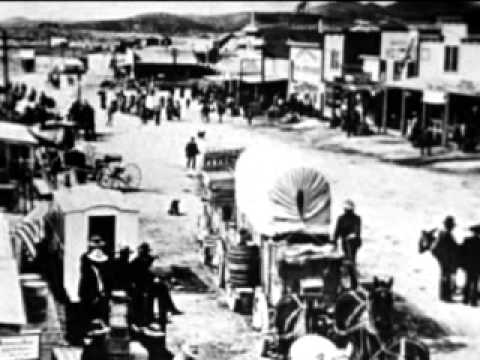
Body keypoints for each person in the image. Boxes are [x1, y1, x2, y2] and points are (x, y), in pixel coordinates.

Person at [79, 235, 112, 328]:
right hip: (89, 292)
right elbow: (86, 276)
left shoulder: (106, 259)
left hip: (102, 292)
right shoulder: (85, 258)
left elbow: (108, 276)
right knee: (88, 314)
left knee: (102, 312)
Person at [146, 264, 183, 332]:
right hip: (141, 287)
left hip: (144, 284)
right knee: (160, 288)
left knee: (161, 287)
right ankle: (168, 311)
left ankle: (168, 311)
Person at [130, 242, 156, 326]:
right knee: (143, 301)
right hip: (141, 285)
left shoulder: (141, 260)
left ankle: (146, 317)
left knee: (147, 300)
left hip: (145, 284)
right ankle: (145, 318)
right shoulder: (138, 261)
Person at [333, 200, 361, 265]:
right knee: (346, 255)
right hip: (345, 241)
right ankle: (348, 268)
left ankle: (352, 267)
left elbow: (357, 229)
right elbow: (337, 230)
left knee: (352, 256)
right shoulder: (341, 218)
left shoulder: (357, 218)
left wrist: (353, 234)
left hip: (354, 241)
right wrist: (335, 240)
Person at [436, 216, 457, 302]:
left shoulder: (443, 234)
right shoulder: (446, 235)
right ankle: (445, 296)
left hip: (444, 259)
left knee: (445, 277)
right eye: (451, 226)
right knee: (446, 277)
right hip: (447, 260)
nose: (452, 227)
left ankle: (444, 295)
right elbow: (451, 248)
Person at [463, 224, 480, 306]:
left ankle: (465, 299)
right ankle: (473, 301)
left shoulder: (467, 240)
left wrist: (463, 265)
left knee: (467, 281)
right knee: (475, 282)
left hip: (468, 266)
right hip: (477, 266)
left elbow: (462, 253)